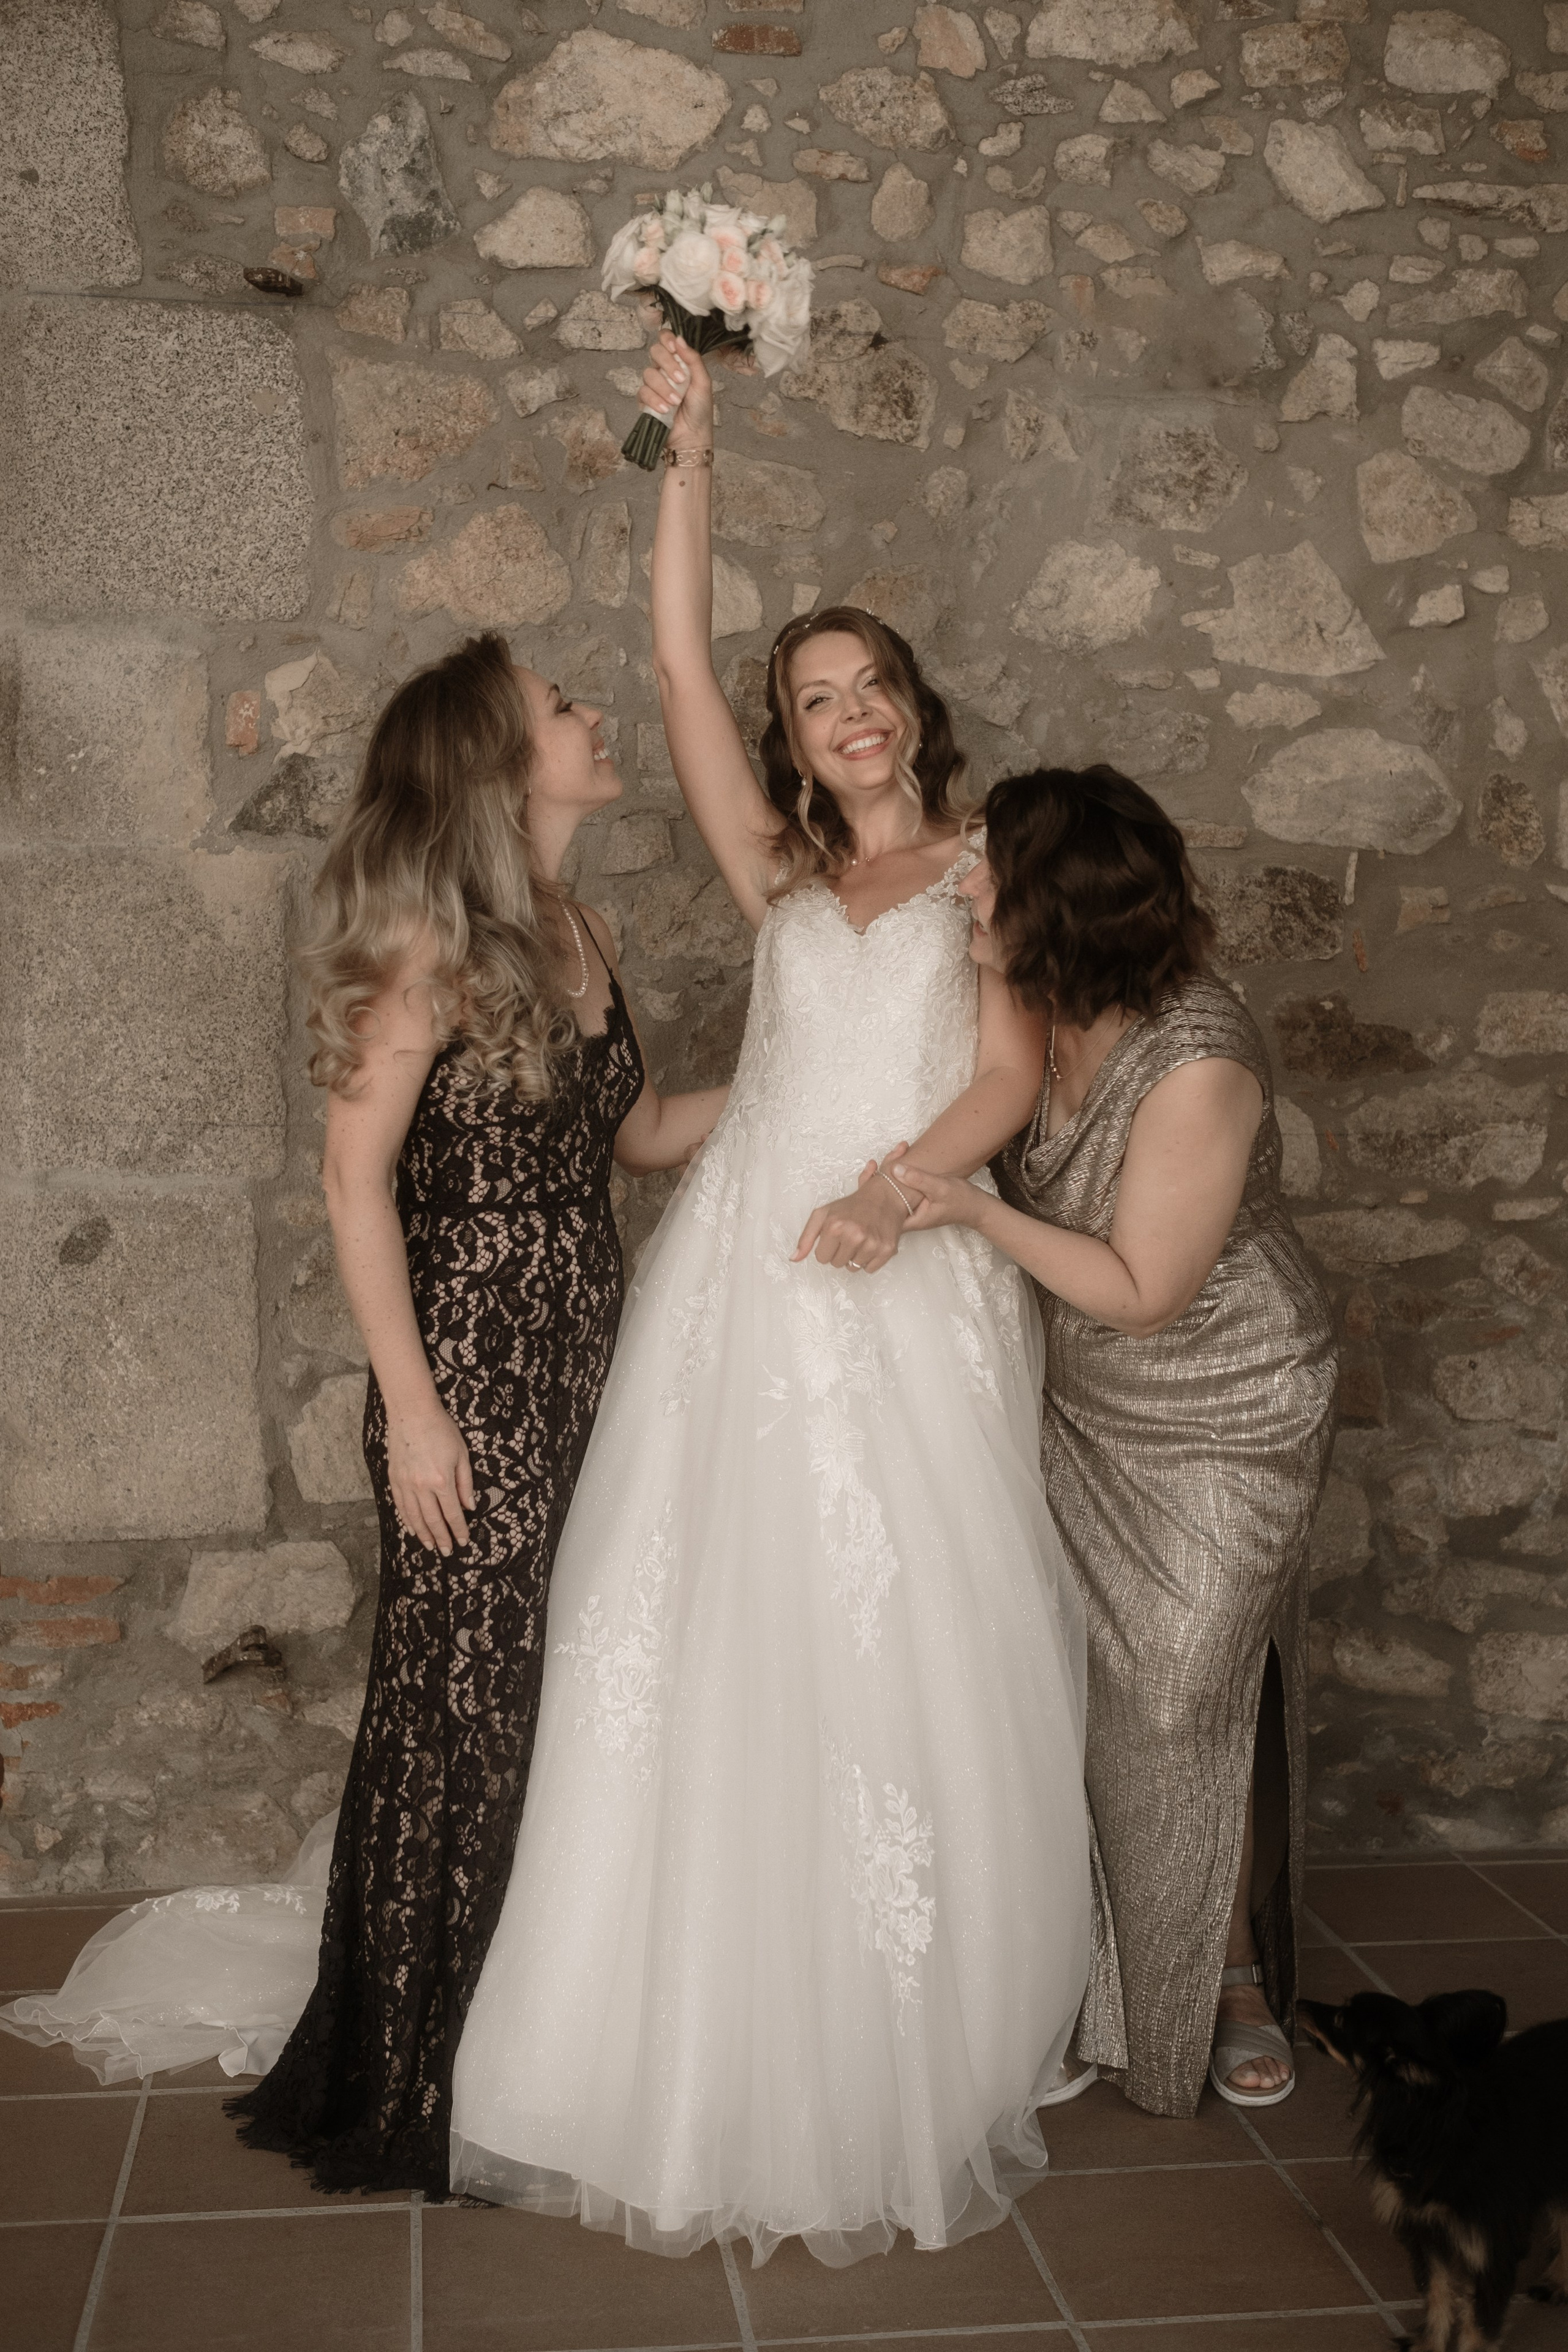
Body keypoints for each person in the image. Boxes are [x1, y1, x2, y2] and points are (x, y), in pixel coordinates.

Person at [447, 337, 1091, 2264]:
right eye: (813, 702)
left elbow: (1009, 1078)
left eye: (870, 686)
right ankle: (672, 2028)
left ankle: (903, 2043)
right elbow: (667, 661)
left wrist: (908, 1192)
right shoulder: (777, 876)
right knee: (711, 1636)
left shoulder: (990, 871)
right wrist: (692, 453)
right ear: (794, 743)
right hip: (745, 1287)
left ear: (914, 709)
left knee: (905, 1649)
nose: (848, 717)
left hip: (902, 1275)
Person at [3, 635, 725, 2196]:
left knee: (545, 1709)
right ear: (497, 763)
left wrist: (811, 1083)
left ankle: (520, 2046)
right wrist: (413, 1417)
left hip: (582, 1362)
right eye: (558, 708)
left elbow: (646, 1132)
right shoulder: (426, 944)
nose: (591, 714)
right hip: (463, 1371)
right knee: (453, 1722)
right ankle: (397, 2073)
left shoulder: (581, 926)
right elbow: (352, 1184)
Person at [891, 764, 1338, 2118]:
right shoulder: (1027, 1000)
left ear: (1058, 906)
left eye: (985, 870)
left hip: (1223, 1405)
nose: (960, 885)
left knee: (1180, 1695)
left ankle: (1230, 1978)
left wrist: (966, 1213)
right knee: (1077, 1693)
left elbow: (1144, 1291)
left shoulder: (1199, 1060)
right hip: (1075, 1397)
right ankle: (1097, 1978)